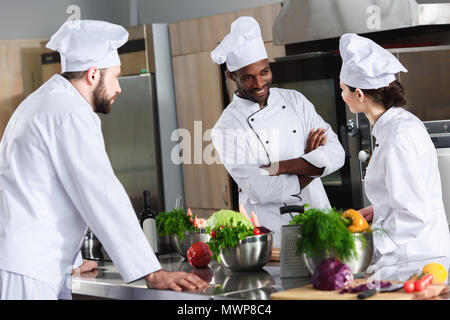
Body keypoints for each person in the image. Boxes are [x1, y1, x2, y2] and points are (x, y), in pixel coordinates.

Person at [0, 20, 207, 300]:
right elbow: (100, 193)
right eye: (115, 76)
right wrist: (152, 272)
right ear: (93, 74)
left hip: (25, 263)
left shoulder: (42, 103)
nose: (118, 88)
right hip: (26, 271)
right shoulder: (70, 113)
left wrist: (72, 261)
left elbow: (41, 191)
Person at [210, 17, 345, 247]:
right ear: (232, 76)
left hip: (320, 219)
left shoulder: (295, 101)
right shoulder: (226, 128)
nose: (259, 83)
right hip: (273, 232)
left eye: (264, 72)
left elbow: (337, 154)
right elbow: (261, 191)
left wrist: (281, 166)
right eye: (248, 77)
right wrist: (312, 163)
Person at [338, 33, 450, 269]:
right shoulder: (396, 126)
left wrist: (365, 244)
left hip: (413, 260)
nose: (341, 96)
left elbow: (413, 214)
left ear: (359, 94)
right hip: (411, 254)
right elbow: (407, 195)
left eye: (343, 90)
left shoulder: (397, 138)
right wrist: (378, 209)